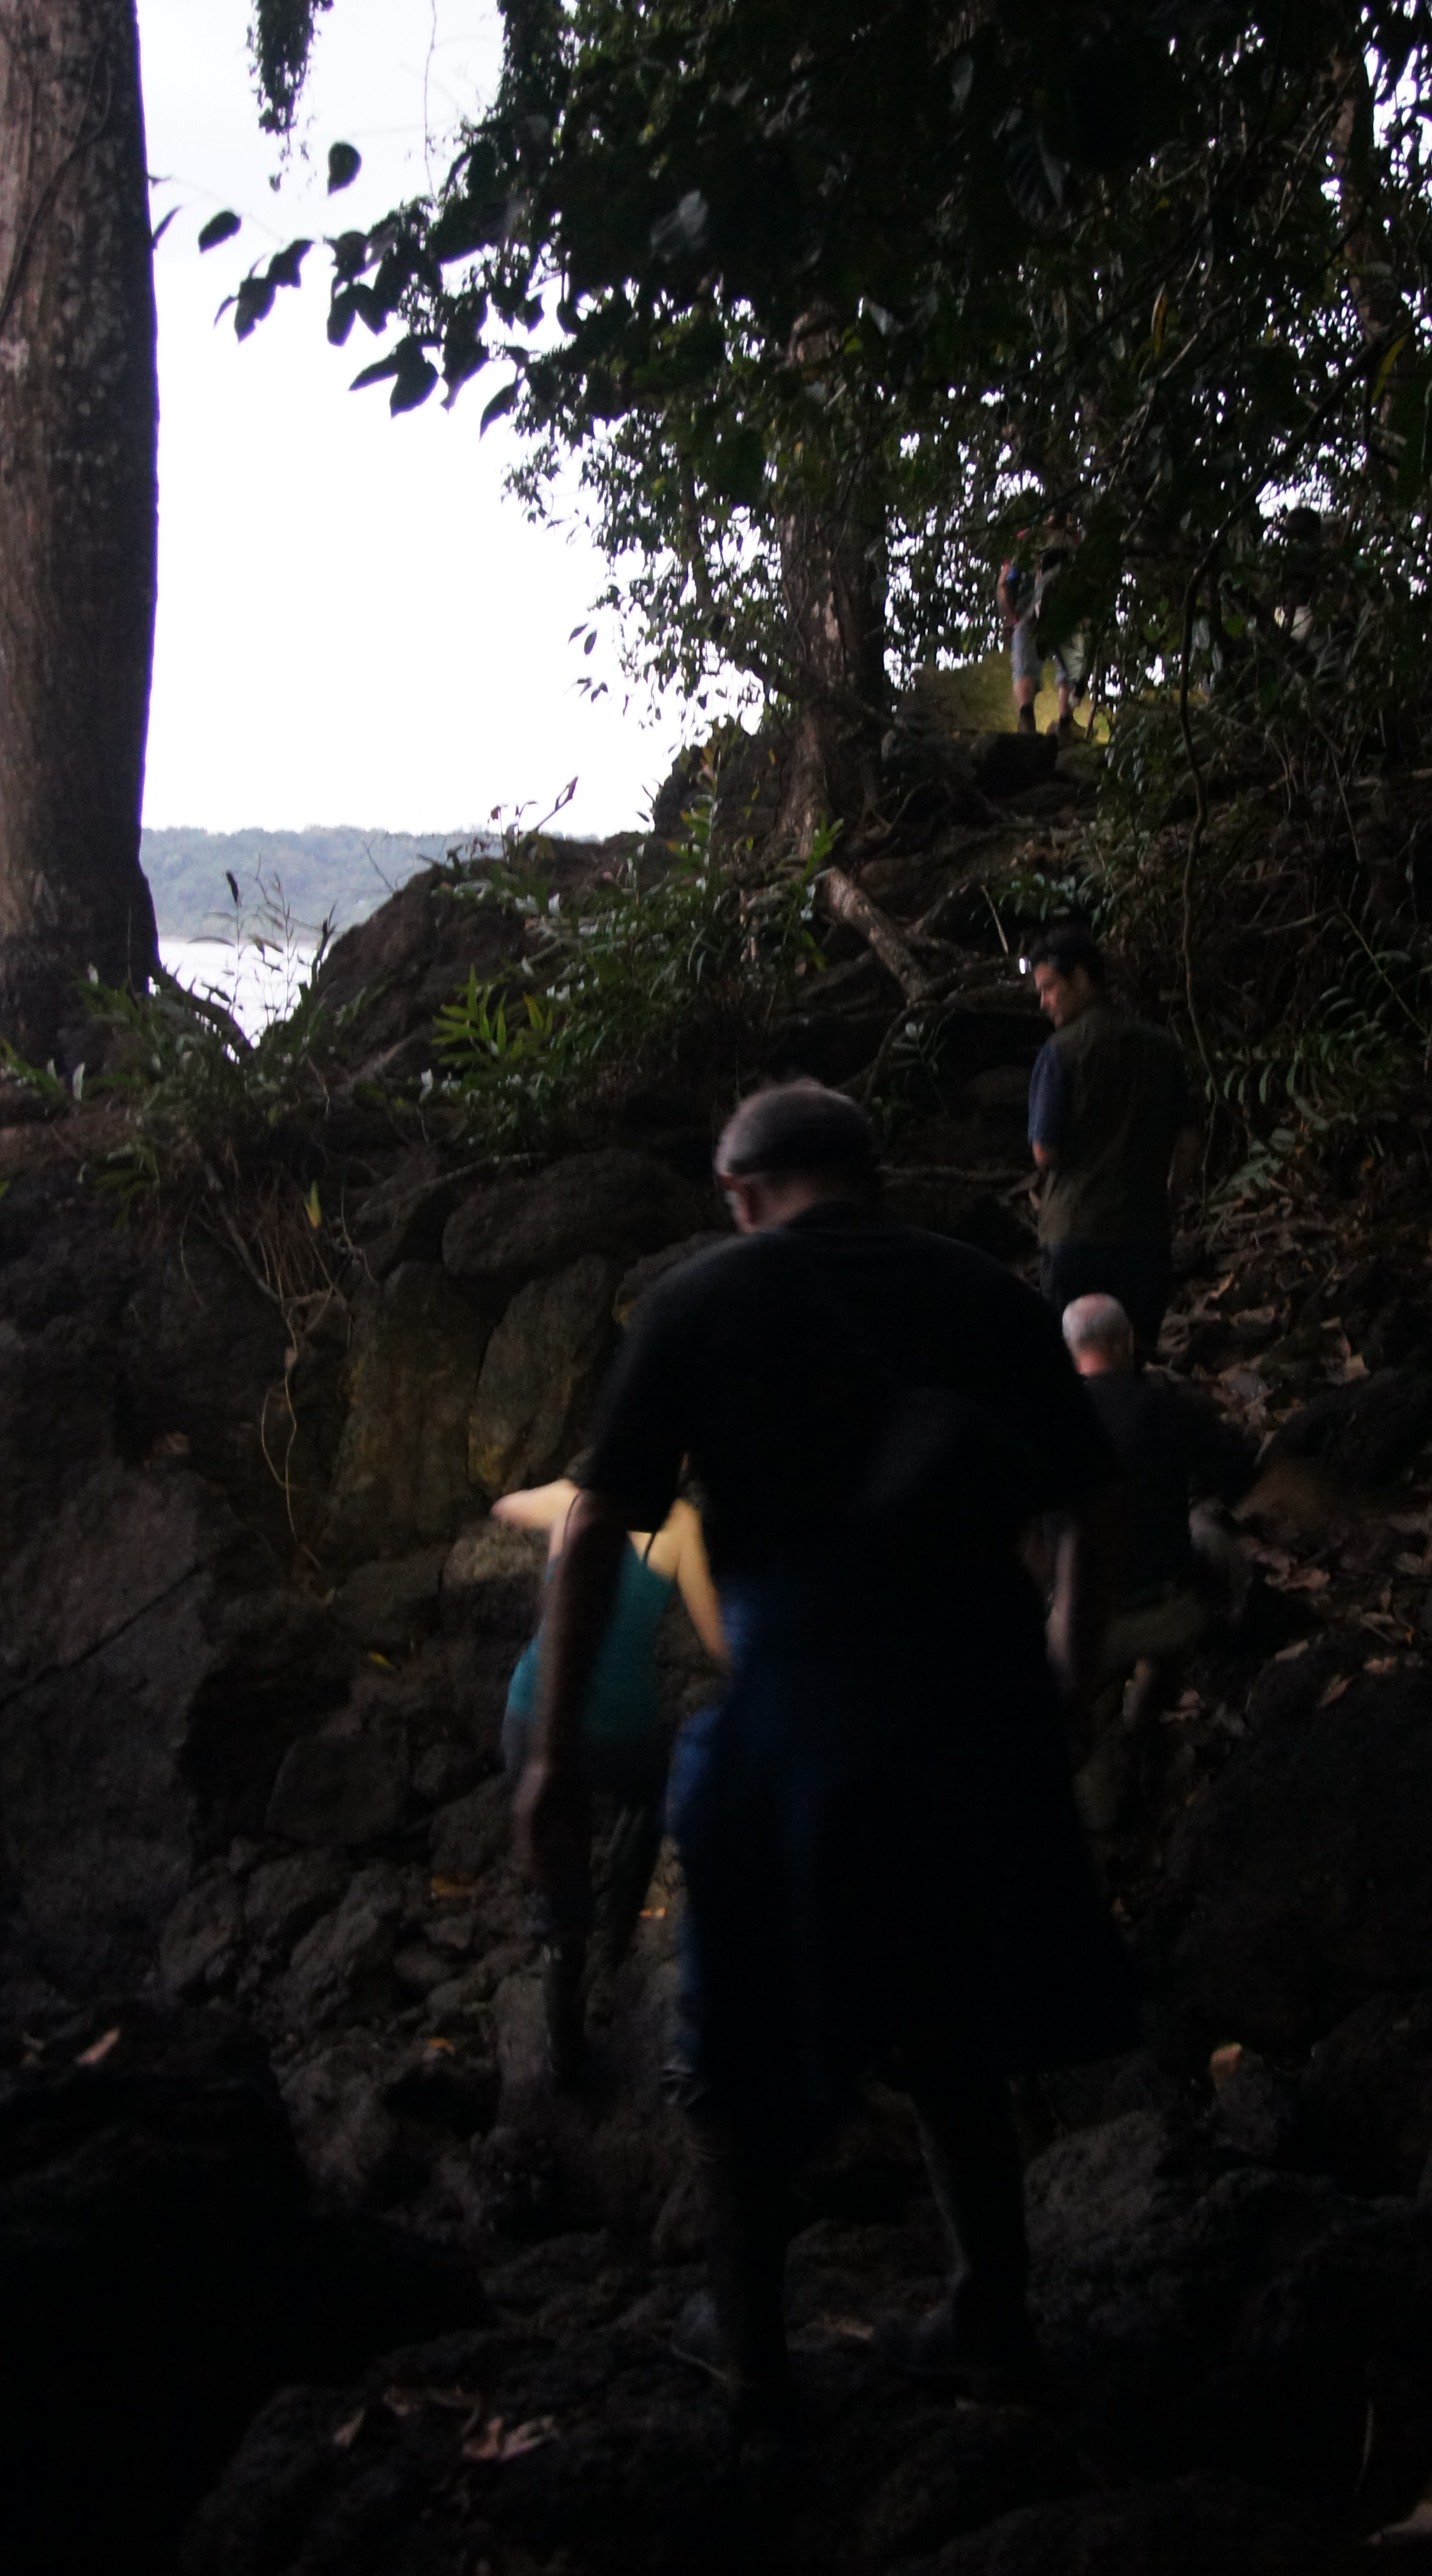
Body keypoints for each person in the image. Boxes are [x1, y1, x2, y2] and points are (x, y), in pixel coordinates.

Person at [511, 1080, 1134, 2413]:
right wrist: (1067, 1668)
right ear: (871, 1174)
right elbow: (1089, 1500)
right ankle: (991, 2314)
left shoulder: (701, 1295)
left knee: (735, 2040)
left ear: (740, 1190)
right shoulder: (988, 1295)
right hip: (977, 1701)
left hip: (802, 1711)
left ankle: (751, 2357)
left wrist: (553, 1754)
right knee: (955, 2029)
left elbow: (591, 1527)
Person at [493, 1478, 724, 2085]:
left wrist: (537, 1514)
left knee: (560, 1884)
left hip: (530, 1718)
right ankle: (611, 1951)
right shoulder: (680, 1524)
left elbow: (506, 1506)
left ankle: (565, 2051)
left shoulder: (568, 1497)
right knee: (653, 1789)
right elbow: (718, 1641)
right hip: (620, 1734)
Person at [1059, 1293, 1254, 1819]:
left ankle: (1104, 1819)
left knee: (1089, 1729)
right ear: (1127, 1343)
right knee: (1206, 1533)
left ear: (1068, 1351)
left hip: (1084, 1628)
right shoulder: (1163, 1407)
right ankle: (1147, 1711)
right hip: (1168, 1612)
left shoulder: (1046, 1422)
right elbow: (1239, 1471)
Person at [1025, 919, 1199, 1356]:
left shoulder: (1061, 1052)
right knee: (1135, 1356)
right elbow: (1189, 1137)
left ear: (1082, 978)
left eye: (1050, 988)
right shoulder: (1161, 1047)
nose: (1044, 1002)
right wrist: (1171, 1199)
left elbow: (1044, 1151)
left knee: (1070, 1363)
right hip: (1145, 1235)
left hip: (1075, 1235)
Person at [997, 513, 1090, 736]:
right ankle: (1065, 721)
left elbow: (1005, 583)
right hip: (1064, 608)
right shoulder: (1075, 541)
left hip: (1029, 608)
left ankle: (1027, 720)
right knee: (1070, 663)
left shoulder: (1026, 539)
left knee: (1025, 664)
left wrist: (1010, 618)